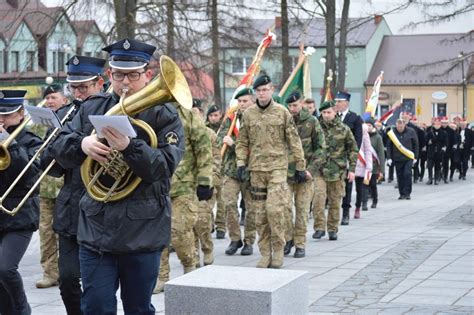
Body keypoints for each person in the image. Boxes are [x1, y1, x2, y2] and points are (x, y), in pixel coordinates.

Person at [50, 38, 185, 313]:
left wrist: (129, 147)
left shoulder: (164, 115)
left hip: (142, 231)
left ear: (147, 75)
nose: (125, 82)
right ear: (109, 74)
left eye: (133, 75)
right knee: (96, 306)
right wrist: (82, 145)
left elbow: (163, 168)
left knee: (138, 308)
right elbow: (57, 146)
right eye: (119, 74)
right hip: (96, 229)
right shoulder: (92, 107)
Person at [41, 55, 106, 314]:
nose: (78, 93)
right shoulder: (63, 114)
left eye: (84, 87)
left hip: (100, 206)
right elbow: (49, 164)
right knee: (67, 279)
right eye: (73, 87)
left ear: (100, 83)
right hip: (71, 207)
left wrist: (74, 145)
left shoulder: (108, 110)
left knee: (97, 285)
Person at [235, 74, 305, 268]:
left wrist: (300, 166)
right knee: (259, 214)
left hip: (277, 169)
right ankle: (265, 253)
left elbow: (294, 141)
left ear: (272, 90)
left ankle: (279, 249)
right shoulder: (248, 114)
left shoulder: (282, 113)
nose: (262, 94)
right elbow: (242, 142)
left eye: (265, 90)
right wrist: (241, 163)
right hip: (256, 170)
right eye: (258, 91)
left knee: (275, 210)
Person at [154, 91, 214, 294]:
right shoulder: (152, 113)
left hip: (184, 185)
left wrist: (205, 180)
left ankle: (189, 266)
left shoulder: (189, 116)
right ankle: (161, 276)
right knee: (157, 235)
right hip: (155, 184)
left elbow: (203, 148)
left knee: (179, 230)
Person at [0, 90, 43, 314]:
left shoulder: (32, 141)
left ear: (21, 114)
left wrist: (10, 144)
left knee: (5, 268)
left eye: (6, 115)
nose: (1, 120)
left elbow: (28, 176)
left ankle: (23, 310)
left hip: (20, 216)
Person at [284, 91, 325, 258]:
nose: (292, 109)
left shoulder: (312, 122)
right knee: (284, 209)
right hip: (285, 174)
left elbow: (321, 149)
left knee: (301, 211)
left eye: (295, 105)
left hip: (305, 175)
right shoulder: (283, 121)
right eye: (290, 106)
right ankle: (287, 239)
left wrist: (310, 170)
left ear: (301, 103)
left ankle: (300, 243)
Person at [35, 83, 68, 289]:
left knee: (66, 232)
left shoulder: (71, 118)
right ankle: (50, 272)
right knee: (45, 230)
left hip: (66, 185)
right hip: (45, 186)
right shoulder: (38, 123)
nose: (49, 101)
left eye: (53, 97)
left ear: (64, 100)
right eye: (47, 98)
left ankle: (69, 271)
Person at [217, 88, 256, 256]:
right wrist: (224, 141)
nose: (242, 104)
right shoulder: (232, 119)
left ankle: (249, 241)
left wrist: (234, 144)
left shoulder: (258, 119)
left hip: (251, 170)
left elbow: (258, 145)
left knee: (251, 207)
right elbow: (220, 138)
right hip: (231, 170)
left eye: (245, 101)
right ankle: (235, 238)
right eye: (239, 101)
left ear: (253, 102)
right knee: (228, 203)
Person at [312, 101, 357, 241]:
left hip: (337, 171)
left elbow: (353, 149)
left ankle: (332, 229)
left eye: (328, 112)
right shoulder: (315, 128)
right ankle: (319, 227)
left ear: (335, 112)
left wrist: (352, 169)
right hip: (319, 170)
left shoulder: (344, 129)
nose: (326, 115)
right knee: (318, 199)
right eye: (323, 113)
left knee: (335, 201)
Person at [191, 101, 221, 267]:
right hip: (186, 185)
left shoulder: (210, 134)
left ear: (201, 114)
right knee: (188, 222)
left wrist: (211, 180)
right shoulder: (183, 133)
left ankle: (207, 248)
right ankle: (193, 255)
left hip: (205, 184)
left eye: (196, 113)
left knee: (202, 220)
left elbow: (217, 159)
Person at [334, 91, 362, 225]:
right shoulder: (332, 117)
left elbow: (357, 141)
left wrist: (352, 161)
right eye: (336, 101)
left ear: (347, 103)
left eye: (339, 101)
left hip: (346, 157)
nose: (337, 104)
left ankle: (345, 213)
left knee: (348, 186)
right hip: (332, 158)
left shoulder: (355, 119)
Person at [387, 119, 419, 200]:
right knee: (400, 176)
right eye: (398, 125)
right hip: (397, 158)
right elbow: (389, 146)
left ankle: (407, 193)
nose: (400, 127)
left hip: (408, 157)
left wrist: (415, 157)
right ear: (396, 125)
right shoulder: (392, 133)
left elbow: (416, 144)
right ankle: (401, 193)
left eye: (401, 125)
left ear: (404, 124)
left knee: (407, 174)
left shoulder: (411, 131)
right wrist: (389, 158)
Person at [353, 123, 373, 219]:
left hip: (360, 163)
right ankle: (346, 208)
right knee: (347, 189)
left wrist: (369, 166)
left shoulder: (364, 133)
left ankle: (358, 207)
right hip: (349, 164)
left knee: (359, 188)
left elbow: (368, 150)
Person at [365, 118, 385, 209]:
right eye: (366, 125)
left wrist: (381, 169)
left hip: (373, 165)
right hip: (364, 165)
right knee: (364, 185)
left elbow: (381, 153)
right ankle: (364, 202)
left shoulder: (377, 137)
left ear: (373, 126)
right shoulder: (363, 135)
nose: (368, 127)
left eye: (369, 125)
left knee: (373, 184)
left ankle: (375, 200)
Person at [425, 117, 447, 185]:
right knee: (430, 166)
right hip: (431, 152)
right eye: (435, 124)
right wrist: (428, 142)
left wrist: (444, 148)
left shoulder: (443, 133)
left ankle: (437, 179)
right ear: (433, 124)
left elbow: (445, 142)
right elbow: (425, 141)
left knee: (438, 166)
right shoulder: (430, 132)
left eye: (438, 124)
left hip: (439, 152)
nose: (437, 125)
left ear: (440, 125)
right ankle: (430, 178)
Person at [441, 116, 455, 183]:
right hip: (439, 150)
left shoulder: (451, 131)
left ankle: (445, 177)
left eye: (445, 123)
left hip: (448, 150)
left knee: (446, 164)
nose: (444, 124)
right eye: (443, 123)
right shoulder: (438, 129)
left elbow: (454, 141)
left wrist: (453, 148)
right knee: (440, 164)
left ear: (447, 123)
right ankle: (439, 175)